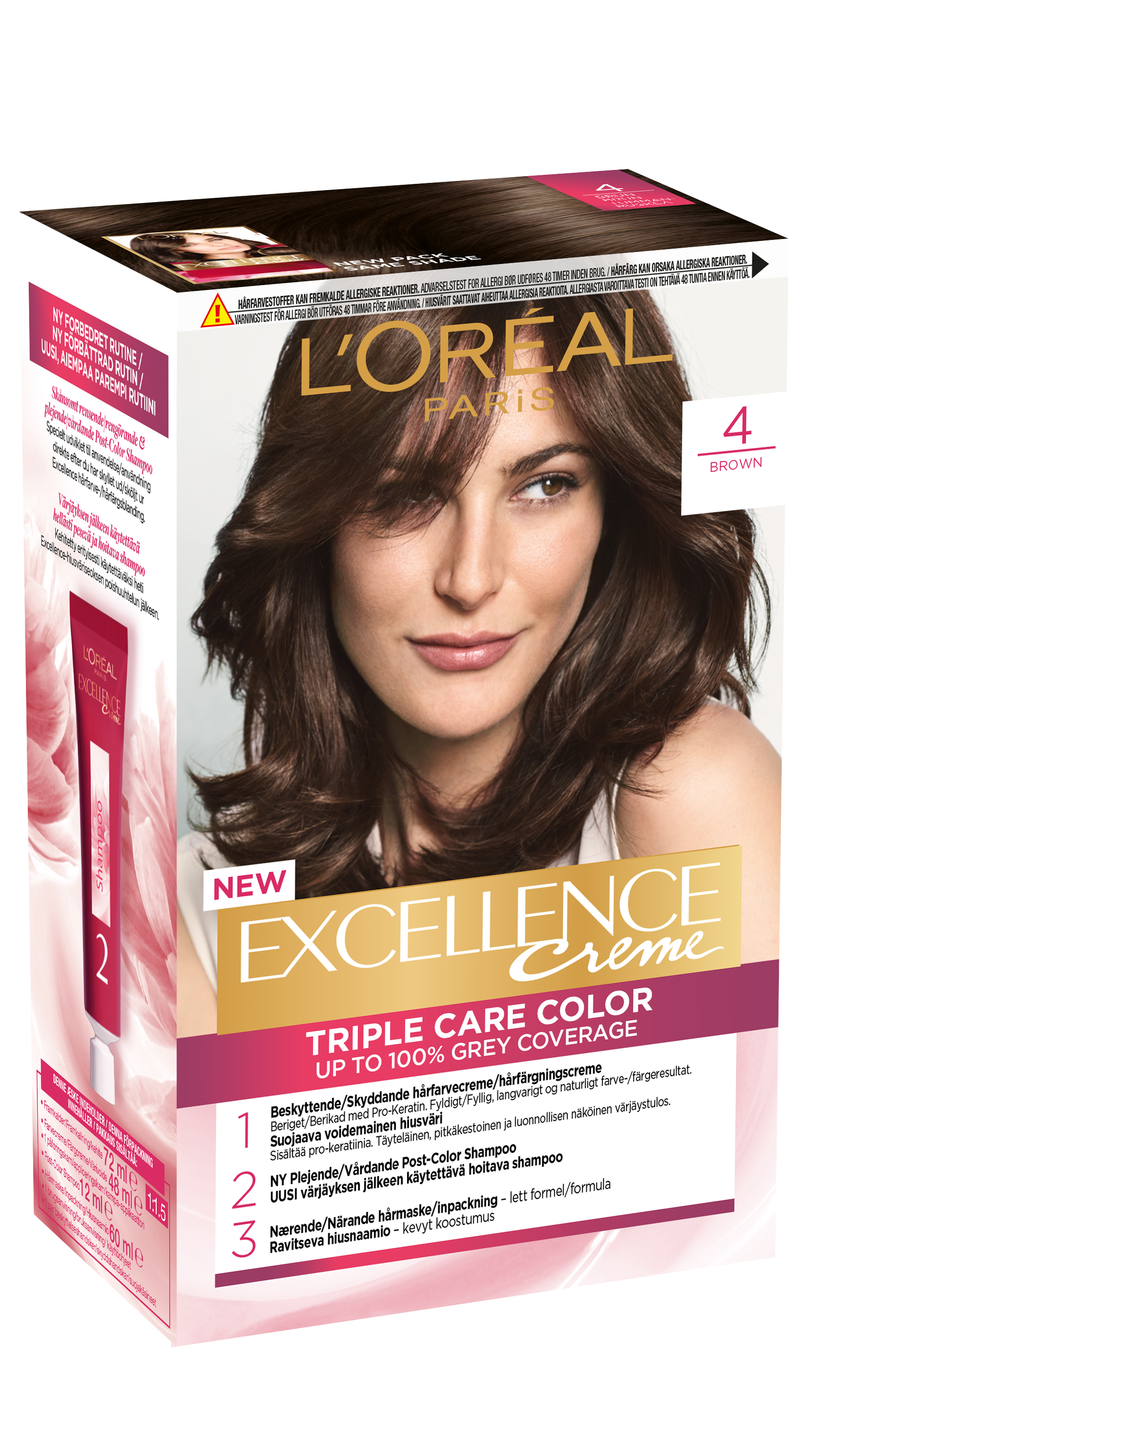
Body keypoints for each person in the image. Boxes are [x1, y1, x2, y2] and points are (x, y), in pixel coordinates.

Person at [176, 291, 780, 1034]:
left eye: (545, 485)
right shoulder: (202, 912)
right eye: (404, 495)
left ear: (614, 516)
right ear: (317, 522)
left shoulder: (688, 790)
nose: (469, 580)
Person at [128, 230, 309, 272]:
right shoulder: (208, 273)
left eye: (213, 239)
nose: (217, 245)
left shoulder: (274, 250)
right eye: (189, 245)